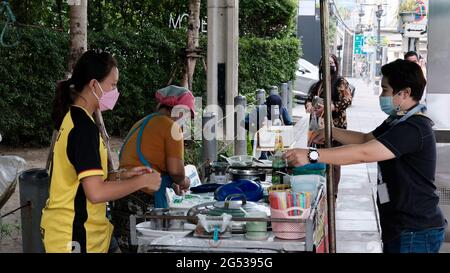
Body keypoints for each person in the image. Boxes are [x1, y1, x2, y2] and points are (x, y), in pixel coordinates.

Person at [283, 59, 447, 253]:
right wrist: (330, 131)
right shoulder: (396, 120)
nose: (381, 96)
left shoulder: (414, 128)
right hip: (399, 223)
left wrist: (312, 155)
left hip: (415, 229)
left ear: (405, 93)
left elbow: (364, 153)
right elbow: (364, 139)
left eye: (385, 90)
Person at [41, 50, 161, 253]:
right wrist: (142, 182)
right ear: (94, 85)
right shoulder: (82, 128)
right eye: (113, 85)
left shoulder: (78, 119)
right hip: (74, 236)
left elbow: (83, 180)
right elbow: (95, 192)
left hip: (87, 233)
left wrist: (121, 176)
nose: (116, 91)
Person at [111, 85, 194, 252]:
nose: (187, 120)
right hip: (142, 199)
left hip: (120, 196)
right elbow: (176, 171)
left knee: (128, 247)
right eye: (187, 114)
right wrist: (184, 181)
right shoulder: (172, 127)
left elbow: (153, 159)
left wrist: (172, 180)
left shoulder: (142, 122)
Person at [304, 54, 353, 197]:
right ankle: (320, 189)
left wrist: (331, 107)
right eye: (326, 63)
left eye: (332, 62)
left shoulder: (340, 82)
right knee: (318, 157)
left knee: (335, 160)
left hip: (336, 127)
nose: (329, 65)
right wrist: (308, 105)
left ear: (336, 65)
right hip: (318, 128)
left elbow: (348, 100)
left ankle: (333, 193)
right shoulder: (318, 85)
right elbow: (309, 99)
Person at [245, 94, 293, 159]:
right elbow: (245, 122)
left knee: (278, 159)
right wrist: (259, 127)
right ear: (267, 106)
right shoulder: (259, 110)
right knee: (262, 160)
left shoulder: (283, 110)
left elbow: (289, 124)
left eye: (277, 109)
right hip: (261, 141)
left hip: (276, 141)